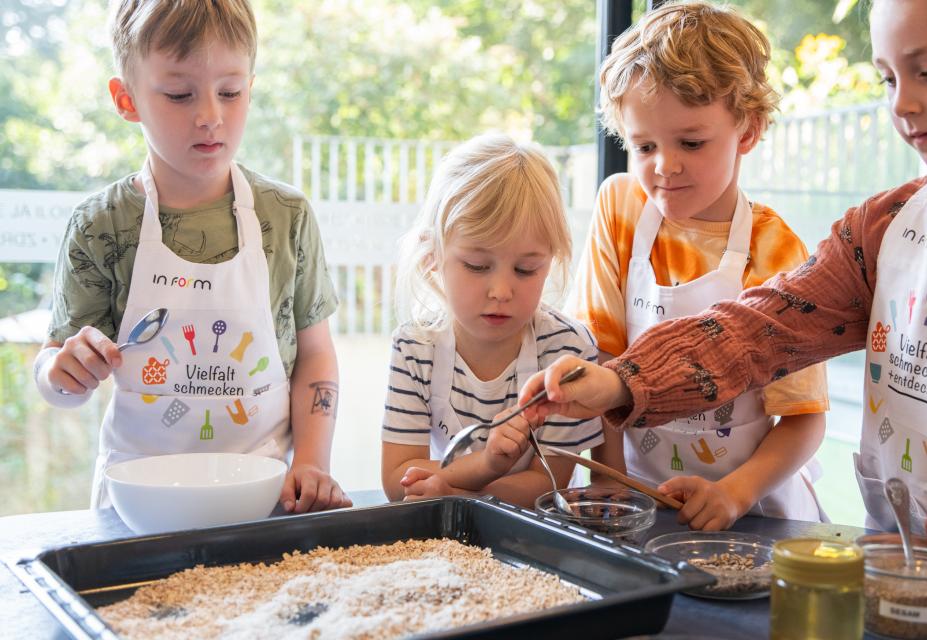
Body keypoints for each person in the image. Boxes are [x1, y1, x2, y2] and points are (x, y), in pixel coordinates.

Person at [522, 0, 927, 538]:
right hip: (891, 555)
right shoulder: (881, 227)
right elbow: (759, 329)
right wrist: (621, 381)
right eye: (889, 78)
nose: (901, 104)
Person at [33, 0, 351, 513]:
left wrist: (312, 462)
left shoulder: (286, 216)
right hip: (136, 508)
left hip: (265, 500)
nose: (210, 116)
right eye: (180, 94)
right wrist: (58, 374)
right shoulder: (101, 225)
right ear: (126, 98)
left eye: (231, 91)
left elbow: (315, 353)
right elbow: (57, 374)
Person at [568, 1, 830, 531]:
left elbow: (804, 420)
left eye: (691, 141)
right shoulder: (621, 208)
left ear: (748, 131)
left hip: (752, 508)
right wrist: (617, 489)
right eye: (644, 145)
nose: (665, 165)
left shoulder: (773, 249)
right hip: (638, 495)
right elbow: (602, 358)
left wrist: (732, 493)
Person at [379, 134, 604, 507]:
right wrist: (485, 465)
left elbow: (548, 488)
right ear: (432, 254)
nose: (500, 290)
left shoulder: (567, 351)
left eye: (525, 269)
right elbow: (397, 477)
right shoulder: (415, 347)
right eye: (477, 266)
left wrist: (454, 490)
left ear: (551, 262)